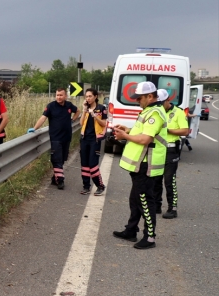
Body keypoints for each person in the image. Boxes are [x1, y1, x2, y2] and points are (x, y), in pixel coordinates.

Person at [112, 81, 168, 250]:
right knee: (135, 198)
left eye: (140, 98)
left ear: (150, 96)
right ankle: (131, 230)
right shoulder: (148, 111)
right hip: (140, 164)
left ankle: (150, 237)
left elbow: (145, 139)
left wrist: (124, 136)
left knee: (145, 200)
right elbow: (141, 132)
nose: (137, 101)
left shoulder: (155, 114)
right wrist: (127, 130)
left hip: (146, 164)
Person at [27, 88, 80, 189]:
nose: (58, 97)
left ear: (65, 96)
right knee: (56, 159)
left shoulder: (69, 105)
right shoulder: (51, 106)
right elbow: (43, 118)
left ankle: (54, 177)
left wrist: (72, 120)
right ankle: (60, 180)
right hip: (55, 137)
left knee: (63, 159)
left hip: (67, 136)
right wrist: (34, 128)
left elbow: (78, 111)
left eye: (61, 95)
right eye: (57, 95)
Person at [153, 88, 188, 219]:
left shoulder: (178, 112)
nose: (160, 105)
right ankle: (156, 205)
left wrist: (168, 130)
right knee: (156, 178)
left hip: (171, 150)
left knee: (169, 180)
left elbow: (185, 131)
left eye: (162, 102)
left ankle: (172, 209)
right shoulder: (157, 112)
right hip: (158, 149)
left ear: (168, 99)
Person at [79, 88, 107, 195]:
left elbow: (104, 124)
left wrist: (95, 116)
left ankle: (100, 185)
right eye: (86, 96)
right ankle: (86, 186)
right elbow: (81, 123)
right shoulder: (86, 109)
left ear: (95, 97)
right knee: (84, 164)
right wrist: (84, 110)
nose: (88, 98)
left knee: (93, 164)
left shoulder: (101, 108)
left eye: (90, 96)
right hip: (84, 139)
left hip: (95, 140)